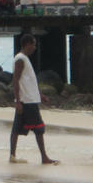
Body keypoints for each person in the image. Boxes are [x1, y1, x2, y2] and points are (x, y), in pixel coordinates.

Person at [9, 34, 58, 164]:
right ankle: (44, 158)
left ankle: (12, 157)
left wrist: (40, 95)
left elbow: (28, 82)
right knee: (39, 129)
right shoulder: (20, 59)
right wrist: (18, 101)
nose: (35, 48)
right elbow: (15, 80)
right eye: (33, 44)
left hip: (28, 99)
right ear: (27, 44)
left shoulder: (23, 58)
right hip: (27, 101)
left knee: (16, 128)